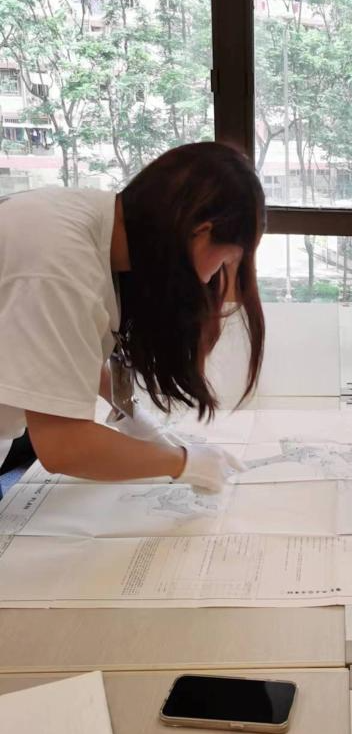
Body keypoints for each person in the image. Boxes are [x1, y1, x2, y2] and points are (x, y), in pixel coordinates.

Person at [0, 142, 266, 494]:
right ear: (200, 233)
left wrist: (130, 412)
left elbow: (59, 349)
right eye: (223, 262)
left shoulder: (97, 226)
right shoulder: (60, 266)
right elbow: (63, 446)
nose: (210, 281)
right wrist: (183, 463)